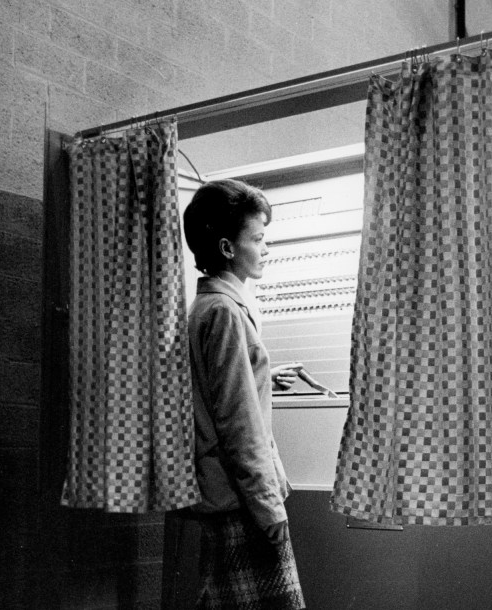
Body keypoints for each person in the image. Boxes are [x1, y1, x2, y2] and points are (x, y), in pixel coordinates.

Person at [183, 178, 305, 609]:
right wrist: (269, 508)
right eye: (258, 237)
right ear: (227, 247)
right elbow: (240, 424)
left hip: (227, 495)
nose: (265, 247)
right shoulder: (224, 313)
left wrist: (268, 374)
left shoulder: (209, 309)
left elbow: (226, 394)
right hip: (242, 501)